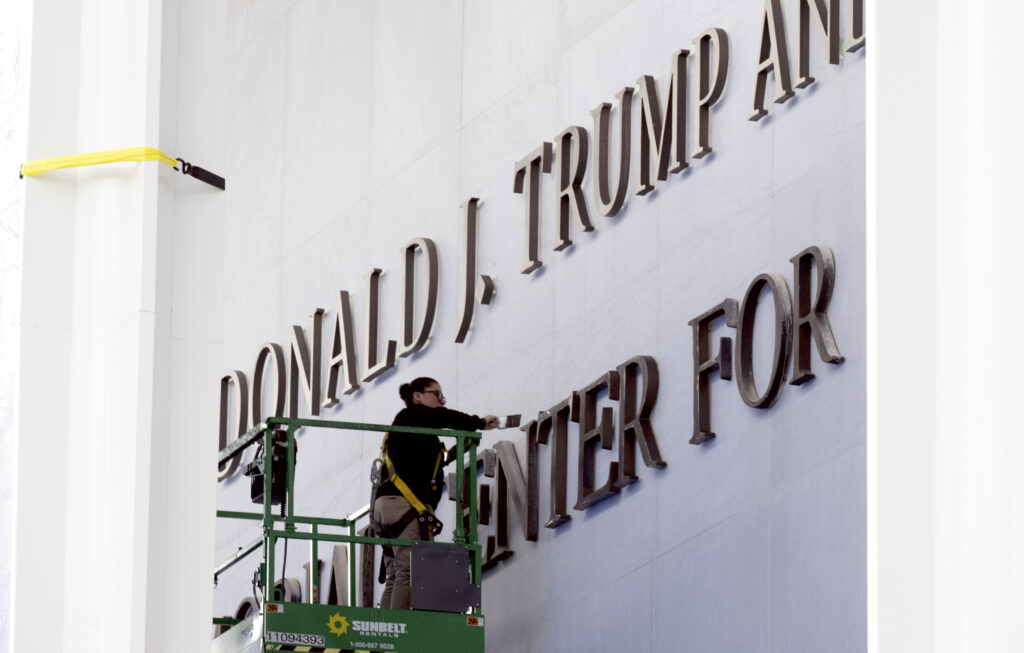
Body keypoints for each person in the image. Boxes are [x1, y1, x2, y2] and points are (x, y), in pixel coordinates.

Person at [373, 377, 498, 610]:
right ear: (417, 396)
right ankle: (399, 633)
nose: (442, 401)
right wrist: (479, 422)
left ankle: (386, 634)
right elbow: (444, 417)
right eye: (437, 395)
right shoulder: (411, 416)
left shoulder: (413, 429)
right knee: (410, 571)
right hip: (403, 506)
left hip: (390, 507)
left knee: (397, 573)